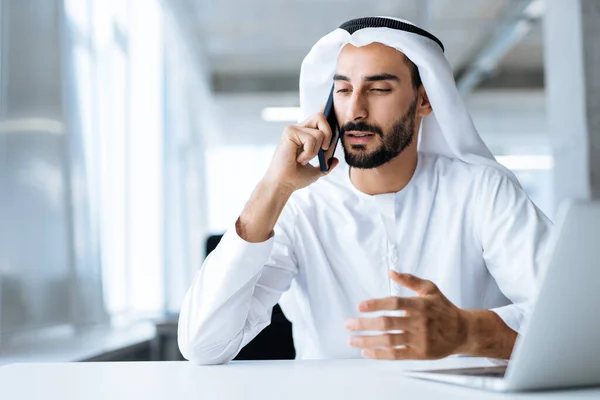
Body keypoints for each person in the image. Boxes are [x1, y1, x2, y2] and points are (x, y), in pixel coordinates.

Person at [177, 17, 553, 365]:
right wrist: (273, 188)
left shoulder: (482, 191)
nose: (355, 109)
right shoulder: (298, 206)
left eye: (379, 88)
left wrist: (468, 333)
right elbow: (203, 345)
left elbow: (571, 317)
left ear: (424, 100)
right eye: (343, 90)